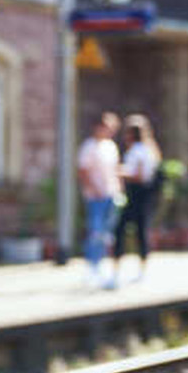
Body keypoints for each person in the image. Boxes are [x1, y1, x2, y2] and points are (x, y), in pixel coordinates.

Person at [110, 113, 161, 288]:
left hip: (136, 194)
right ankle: (141, 270)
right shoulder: (150, 150)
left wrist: (120, 172)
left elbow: (138, 175)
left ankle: (117, 270)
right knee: (141, 231)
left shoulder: (138, 151)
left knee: (121, 230)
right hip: (145, 195)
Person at [76, 111, 121, 286]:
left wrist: (119, 189)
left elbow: (115, 169)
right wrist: (94, 189)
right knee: (95, 231)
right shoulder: (89, 146)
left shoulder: (111, 146)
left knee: (107, 233)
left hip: (112, 194)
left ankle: (101, 264)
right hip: (96, 196)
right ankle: (91, 267)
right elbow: (83, 170)